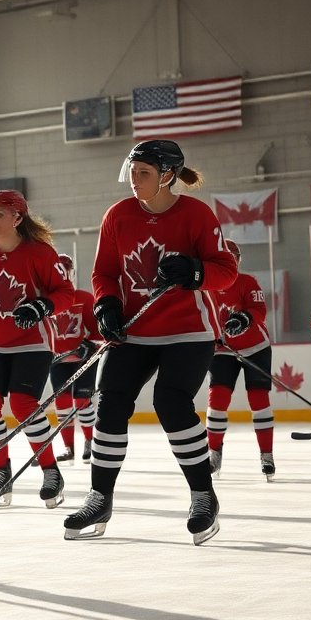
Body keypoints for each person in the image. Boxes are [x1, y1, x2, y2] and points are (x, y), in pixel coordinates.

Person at [64, 139, 236, 546]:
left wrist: (195, 271)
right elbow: (104, 271)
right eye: (132, 172)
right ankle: (99, 498)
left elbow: (225, 271)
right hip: (135, 331)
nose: (134, 181)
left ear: (167, 176)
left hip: (187, 331)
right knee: (110, 403)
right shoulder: (118, 215)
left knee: (171, 402)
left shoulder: (196, 214)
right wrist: (106, 305)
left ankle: (203, 496)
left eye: (143, 174)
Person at [0, 190, 74, 509]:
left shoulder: (40, 253)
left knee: (23, 404)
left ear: (18, 218)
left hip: (32, 342)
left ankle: (50, 471)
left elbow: (65, 292)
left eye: (0, 215)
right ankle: (1, 473)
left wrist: (41, 306)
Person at [206, 239, 275, 480]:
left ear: (238, 261)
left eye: (233, 258)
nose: (229, 262)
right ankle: (214, 452)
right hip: (223, 351)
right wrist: (212, 337)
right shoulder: (206, 288)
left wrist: (244, 318)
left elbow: (259, 310)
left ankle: (266, 454)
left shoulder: (247, 282)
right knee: (217, 399)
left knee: (258, 399)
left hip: (255, 347)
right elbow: (202, 317)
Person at [49, 253, 99, 464]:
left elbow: (98, 330)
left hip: (83, 359)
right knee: (61, 403)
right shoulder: (47, 301)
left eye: (66, 270)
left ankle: (89, 442)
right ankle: (69, 448)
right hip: (58, 360)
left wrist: (90, 343)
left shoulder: (84, 298)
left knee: (82, 401)